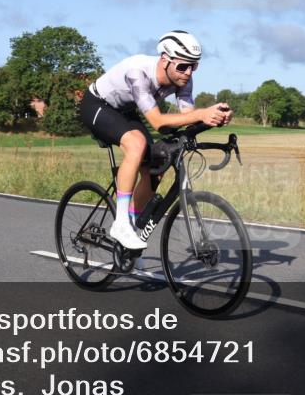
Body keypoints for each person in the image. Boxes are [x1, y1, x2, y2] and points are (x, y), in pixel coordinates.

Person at [79, 30, 233, 250]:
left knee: (157, 166)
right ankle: (121, 223)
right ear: (164, 60)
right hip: (96, 105)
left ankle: (130, 228)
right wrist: (201, 114)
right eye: (182, 66)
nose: (188, 72)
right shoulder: (137, 72)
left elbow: (185, 118)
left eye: (194, 66)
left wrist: (215, 118)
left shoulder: (183, 80)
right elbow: (158, 121)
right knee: (136, 144)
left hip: (125, 111)